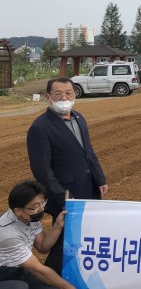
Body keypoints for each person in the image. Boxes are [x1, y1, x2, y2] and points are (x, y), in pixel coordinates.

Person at [26, 78, 108, 274]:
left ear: (75, 94)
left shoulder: (79, 118)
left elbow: (88, 152)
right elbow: (42, 171)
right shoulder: (40, 127)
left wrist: (100, 178)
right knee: (65, 240)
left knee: (84, 236)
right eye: (58, 94)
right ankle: (49, 280)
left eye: (69, 93)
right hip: (65, 196)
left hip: (87, 188)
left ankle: (78, 274)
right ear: (48, 97)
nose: (64, 98)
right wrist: (63, 199)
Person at [0, 181, 75, 289]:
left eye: (43, 202)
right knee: (20, 286)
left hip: (18, 270)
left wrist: (58, 225)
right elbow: (35, 269)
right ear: (18, 211)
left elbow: (42, 246)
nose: (42, 209)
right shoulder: (9, 234)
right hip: (4, 274)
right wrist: (69, 287)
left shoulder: (28, 216)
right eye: (36, 206)